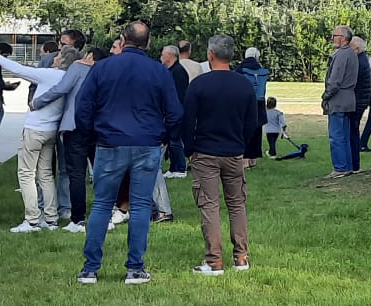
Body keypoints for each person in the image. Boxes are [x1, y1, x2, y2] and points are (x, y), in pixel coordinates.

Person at [75, 20, 183, 285]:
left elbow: (82, 106)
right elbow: (175, 112)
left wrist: (92, 135)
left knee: (102, 203)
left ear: (122, 39)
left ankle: (90, 269)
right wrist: (166, 138)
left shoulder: (102, 68)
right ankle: (135, 268)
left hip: (110, 142)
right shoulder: (159, 71)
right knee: (141, 205)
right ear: (148, 43)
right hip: (147, 143)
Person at [181, 35, 264, 274]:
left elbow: (187, 121)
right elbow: (252, 122)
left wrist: (189, 149)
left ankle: (214, 260)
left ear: (210, 55)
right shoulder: (244, 85)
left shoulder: (199, 84)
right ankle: (241, 257)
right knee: (237, 204)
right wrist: (242, 144)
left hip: (205, 151)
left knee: (210, 205)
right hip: (234, 151)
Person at [0, 43, 67, 231]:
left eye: (58, 57)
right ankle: (51, 218)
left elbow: (20, 70)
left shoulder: (50, 74)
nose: (54, 59)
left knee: (26, 174)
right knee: (46, 174)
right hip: (51, 130)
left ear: (63, 61)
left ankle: (32, 219)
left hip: (35, 129)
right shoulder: (68, 78)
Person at [34, 46, 99, 232]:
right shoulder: (102, 70)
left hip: (75, 125)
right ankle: (107, 213)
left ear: (89, 56)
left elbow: (60, 89)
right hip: (98, 126)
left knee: (76, 174)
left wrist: (37, 102)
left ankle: (78, 219)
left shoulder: (77, 68)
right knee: (101, 172)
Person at [320, 25, 358, 178]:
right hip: (349, 99)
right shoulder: (352, 54)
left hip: (339, 100)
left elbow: (335, 80)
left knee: (336, 136)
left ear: (342, 38)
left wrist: (326, 96)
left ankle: (340, 167)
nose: (332, 38)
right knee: (344, 134)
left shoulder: (341, 55)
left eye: (334, 35)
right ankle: (347, 166)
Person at [159, 44, 189, 199]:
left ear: (170, 56)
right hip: (171, 111)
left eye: (163, 54)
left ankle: (180, 168)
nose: (161, 56)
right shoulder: (170, 70)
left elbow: (178, 94)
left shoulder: (178, 72)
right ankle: (173, 167)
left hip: (176, 111)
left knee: (175, 139)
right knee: (171, 139)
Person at [348, 34, 371, 170]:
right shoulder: (362, 60)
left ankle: (354, 163)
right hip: (361, 100)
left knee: (352, 131)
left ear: (356, 49)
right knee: (353, 130)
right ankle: (354, 163)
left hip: (357, 101)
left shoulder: (358, 62)